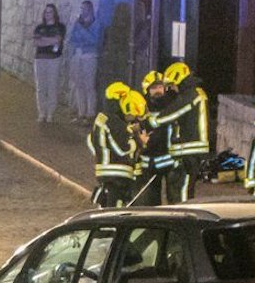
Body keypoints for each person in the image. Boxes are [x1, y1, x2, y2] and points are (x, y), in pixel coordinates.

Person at [148, 60, 209, 203]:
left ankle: (183, 223)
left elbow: (173, 112)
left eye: (172, 85)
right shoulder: (189, 94)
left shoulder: (193, 95)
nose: (172, 89)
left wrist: (150, 122)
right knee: (174, 194)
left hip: (188, 153)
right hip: (184, 153)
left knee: (181, 199)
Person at [86, 83, 142, 207]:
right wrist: (137, 141)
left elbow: (90, 141)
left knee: (105, 210)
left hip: (104, 172)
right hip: (117, 172)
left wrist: (101, 156)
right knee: (115, 212)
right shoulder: (115, 121)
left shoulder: (101, 118)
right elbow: (123, 149)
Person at [135, 69, 178, 204]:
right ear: (146, 90)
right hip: (150, 162)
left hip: (170, 160)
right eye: (153, 88)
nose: (158, 90)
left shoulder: (173, 104)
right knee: (151, 203)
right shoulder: (142, 107)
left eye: (160, 87)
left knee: (174, 201)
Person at [62, 0, 102, 121]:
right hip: (77, 55)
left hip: (90, 56)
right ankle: (81, 112)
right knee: (79, 85)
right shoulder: (77, 23)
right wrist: (82, 37)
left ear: (90, 9)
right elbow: (72, 38)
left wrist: (82, 31)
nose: (82, 11)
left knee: (89, 85)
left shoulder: (96, 24)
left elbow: (94, 40)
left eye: (84, 8)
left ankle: (90, 113)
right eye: (81, 8)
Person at [30, 3, 67, 124]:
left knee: (52, 86)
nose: (47, 14)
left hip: (54, 60)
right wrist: (50, 41)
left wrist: (44, 40)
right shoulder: (39, 27)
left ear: (54, 13)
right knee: (41, 87)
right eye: (46, 12)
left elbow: (58, 40)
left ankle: (50, 113)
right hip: (40, 58)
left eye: (50, 12)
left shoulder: (60, 27)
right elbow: (36, 42)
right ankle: (42, 112)